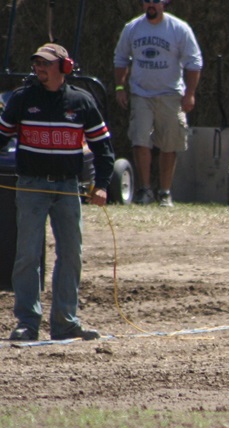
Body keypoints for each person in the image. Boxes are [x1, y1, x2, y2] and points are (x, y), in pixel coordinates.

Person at [2, 43, 115, 341]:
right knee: (27, 254)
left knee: (71, 254)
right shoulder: (22, 99)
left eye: (46, 63)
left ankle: (65, 321)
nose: (39, 68)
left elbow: (103, 149)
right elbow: (1, 137)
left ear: (64, 68)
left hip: (67, 188)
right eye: (36, 62)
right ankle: (28, 323)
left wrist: (101, 185)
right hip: (30, 186)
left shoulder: (82, 102)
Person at [113, 0, 202, 207]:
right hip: (141, 94)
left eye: (155, 1)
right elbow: (120, 58)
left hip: (170, 94)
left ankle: (164, 192)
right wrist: (119, 88)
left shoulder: (179, 29)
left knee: (169, 144)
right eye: (146, 1)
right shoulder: (132, 28)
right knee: (140, 139)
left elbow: (194, 62)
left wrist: (190, 94)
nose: (150, 5)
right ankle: (145, 190)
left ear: (164, 3)